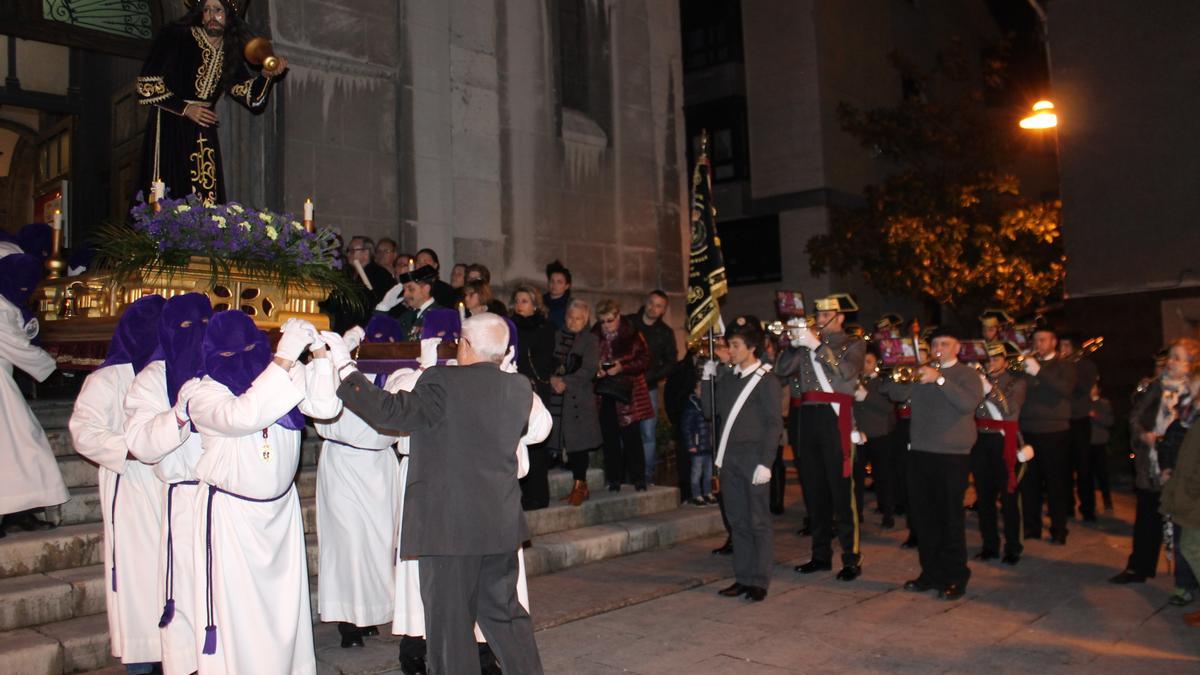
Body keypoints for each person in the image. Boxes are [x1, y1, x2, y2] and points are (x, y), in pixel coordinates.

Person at [329, 313, 549, 675]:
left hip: (449, 531)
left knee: (449, 631)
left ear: (464, 345)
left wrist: (344, 369)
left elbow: (391, 412)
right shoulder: (520, 387)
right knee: (507, 620)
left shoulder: (441, 380)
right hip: (498, 525)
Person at [185, 314, 339, 673]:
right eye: (231, 352)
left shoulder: (281, 375)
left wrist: (318, 354)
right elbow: (245, 415)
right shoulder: (203, 392)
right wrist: (283, 358)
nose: (243, 357)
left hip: (280, 514)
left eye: (252, 348)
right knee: (240, 613)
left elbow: (326, 408)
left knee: (283, 610)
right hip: (232, 518)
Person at [69, 295, 167, 674]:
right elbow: (84, 432)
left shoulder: (171, 373)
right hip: (130, 486)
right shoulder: (107, 379)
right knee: (138, 577)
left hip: (168, 486)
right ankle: (143, 662)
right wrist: (134, 448)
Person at [122, 292, 213, 675]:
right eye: (188, 328)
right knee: (186, 597)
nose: (197, 335)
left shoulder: (224, 366)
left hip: (223, 497)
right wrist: (177, 417)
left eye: (205, 325)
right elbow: (141, 444)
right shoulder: (152, 378)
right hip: (181, 495)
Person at [308, 319, 404, 649]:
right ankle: (348, 620)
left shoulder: (398, 373)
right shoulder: (333, 370)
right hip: (343, 464)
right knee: (346, 542)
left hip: (379, 466)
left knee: (377, 543)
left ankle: (371, 612)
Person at [135, 0, 286, 205]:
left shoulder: (228, 52)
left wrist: (267, 76)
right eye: (206, 10)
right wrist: (186, 108)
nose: (211, 16)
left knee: (205, 198)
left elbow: (253, 98)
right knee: (169, 187)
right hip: (171, 124)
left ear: (229, 16)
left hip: (203, 130)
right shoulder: (176, 37)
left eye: (218, 10)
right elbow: (146, 85)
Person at [889, 327, 984, 600]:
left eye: (945, 343)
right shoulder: (922, 371)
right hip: (920, 451)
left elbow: (967, 404)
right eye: (935, 344)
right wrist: (904, 370)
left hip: (952, 455)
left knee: (949, 518)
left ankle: (955, 576)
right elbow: (895, 393)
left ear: (957, 348)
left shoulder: (968, 375)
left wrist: (940, 380)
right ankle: (929, 574)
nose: (939, 347)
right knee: (924, 518)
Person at [776, 294, 866, 581]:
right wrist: (793, 344)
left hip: (835, 415)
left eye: (827, 314)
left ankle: (851, 558)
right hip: (807, 417)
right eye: (818, 313)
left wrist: (815, 345)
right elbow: (781, 371)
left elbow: (846, 373)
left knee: (841, 492)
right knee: (813, 490)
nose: (820, 318)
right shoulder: (806, 344)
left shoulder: (853, 344)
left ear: (840, 317)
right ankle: (820, 554)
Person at [702, 316, 781, 601]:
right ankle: (743, 577)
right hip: (730, 457)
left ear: (751, 348)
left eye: (735, 345)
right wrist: (707, 377)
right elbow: (710, 412)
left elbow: (774, 423)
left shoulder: (766, 380)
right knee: (737, 522)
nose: (730, 350)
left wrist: (766, 462)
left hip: (753, 458)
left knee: (758, 520)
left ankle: (759, 580)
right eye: (729, 344)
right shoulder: (728, 377)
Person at [1111, 338, 1200, 584]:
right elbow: (1135, 417)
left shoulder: (1194, 392)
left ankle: (1187, 579)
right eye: (1170, 357)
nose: (1171, 363)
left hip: (1182, 469)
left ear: (1191, 364)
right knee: (1147, 517)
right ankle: (1139, 567)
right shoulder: (1155, 387)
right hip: (1151, 463)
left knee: (1184, 526)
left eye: (1178, 358)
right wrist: (1143, 435)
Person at [0, 253, 68, 535]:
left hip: (4, 380)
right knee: (21, 441)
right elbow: (16, 346)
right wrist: (51, 368)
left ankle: (20, 510)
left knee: (21, 446)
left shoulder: (8, 303)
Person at [971, 341, 1030, 565]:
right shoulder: (977, 381)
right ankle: (990, 545)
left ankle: (1013, 547)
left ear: (1005, 360)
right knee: (984, 496)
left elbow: (1010, 411)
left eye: (996, 359)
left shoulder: (1017, 382)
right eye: (988, 359)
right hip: (980, 439)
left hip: (1003, 439)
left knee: (1009, 496)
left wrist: (989, 389)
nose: (991, 363)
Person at [1018, 326, 1078, 545]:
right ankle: (1032, 527)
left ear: (1054, 342)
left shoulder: (1065, 365)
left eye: (1043, 340)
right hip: (1029, 430)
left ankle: (1058, 529)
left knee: (1056, 483)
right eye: (1036, 341)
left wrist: (1039, 372)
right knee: (1029, 483)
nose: (1039, 345)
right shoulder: (1029, 364)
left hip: (1055, 431)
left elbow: (1064, 390)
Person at [546, 299, 603, 507]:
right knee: (555, 441)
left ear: (586, 319)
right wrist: (552, 379)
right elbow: (547, 361)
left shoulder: (590, 340)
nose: (573, 321)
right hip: (556, 399)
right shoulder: (556, 336)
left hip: (578, 399)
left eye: (579, 318)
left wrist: (565, 382)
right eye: (571, 316)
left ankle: (580, 486)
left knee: (578, 446)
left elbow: (588, 369)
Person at [593, 300, 653, 492]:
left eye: (609, 320)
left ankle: (638, 479)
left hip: (629, 392)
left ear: (618, 316)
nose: (606, 325)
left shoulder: (632, 333)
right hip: (604, 394)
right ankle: (614, 479)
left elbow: (645, 360)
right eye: (602, 321)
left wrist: (622, 367)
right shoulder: (594, 335)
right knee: (609, 439)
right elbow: (587, 361)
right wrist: (598, 370)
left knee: (632, 437)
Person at [511, 284, 559, 510]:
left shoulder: (545, 327)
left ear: (535, 304)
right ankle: (519, 494)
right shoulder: (510, 327)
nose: (519, 305)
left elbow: (543, 360)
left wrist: (528, 379)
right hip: (513, 389)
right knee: (516, 443)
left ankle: (538, 496)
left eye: (524, 301)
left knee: (536, 442)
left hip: (536, 389)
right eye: (517, 300)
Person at [625, 290, 678, 486]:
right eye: (651, 303)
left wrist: (651, 375)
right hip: (626, 386)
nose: (653, 308)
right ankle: (628, 475)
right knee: (627, 432)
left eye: (658, 305)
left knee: (648, 433)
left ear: (663, 310)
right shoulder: (629, 323)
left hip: (649, 388)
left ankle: (646, 476)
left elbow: (671, 362)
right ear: (645, 302)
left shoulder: (665, 332)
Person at [1159, 411, 1200, 626]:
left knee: (1191, 546)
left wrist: (1188, 489)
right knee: (1188, 545)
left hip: (1194, 498)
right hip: (1190, 495)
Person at [853, 345, 897, 529]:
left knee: (883, 477)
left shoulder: (883, 382)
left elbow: (888, 407)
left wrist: (867, 396)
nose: (865, 365)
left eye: (869, 361)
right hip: (859, 435)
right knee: (857, 477)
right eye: (862, 361)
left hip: (880, 435)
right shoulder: (855, 380)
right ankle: (857, 513)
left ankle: (887, 514)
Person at [1060, 332, 1101, 522]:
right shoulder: (1058, 366)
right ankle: (1066, 506)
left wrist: (1068, 368)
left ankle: (1088, 508)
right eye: (1061, 346)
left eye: (1067, 346)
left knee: (1084, 468)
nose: (1063, 350)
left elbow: (1080, 389)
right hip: (1062, 421)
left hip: (1080, 420)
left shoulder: (1086, 366)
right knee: (1064, 468)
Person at [375, 265, 446, 340]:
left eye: (411, 289)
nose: (405, 294)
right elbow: (379, 337)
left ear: (426, 289)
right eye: (404, 290)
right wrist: (383, 308)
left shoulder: (441, 316)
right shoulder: (405, 317)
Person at [682, 379, 715, 507]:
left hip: (708, 446)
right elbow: (686, 427)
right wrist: (691, 444)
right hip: (697, 446)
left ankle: (708, 493)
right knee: (696, 472)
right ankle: (696, 495)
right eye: (701, 388)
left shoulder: (710, 405)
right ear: (695, 391)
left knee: (709, 472)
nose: (703, 391)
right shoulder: (692, 406)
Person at [1089, 382, 1115, 512]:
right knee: (1088, 475)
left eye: (1093, 387)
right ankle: (1090, 503)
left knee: (1103, 474)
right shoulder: (1084, 404)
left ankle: (1107, 501)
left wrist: (1095, 416)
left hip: (1100, 443)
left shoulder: (1104, 404)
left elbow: (1109, 421)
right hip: (1087, 445)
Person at [543, 260, 572, 330]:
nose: (554, 285)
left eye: (559, 282)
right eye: (552, 281)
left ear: (567, 286)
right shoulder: (539, 302)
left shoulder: (572, 305)